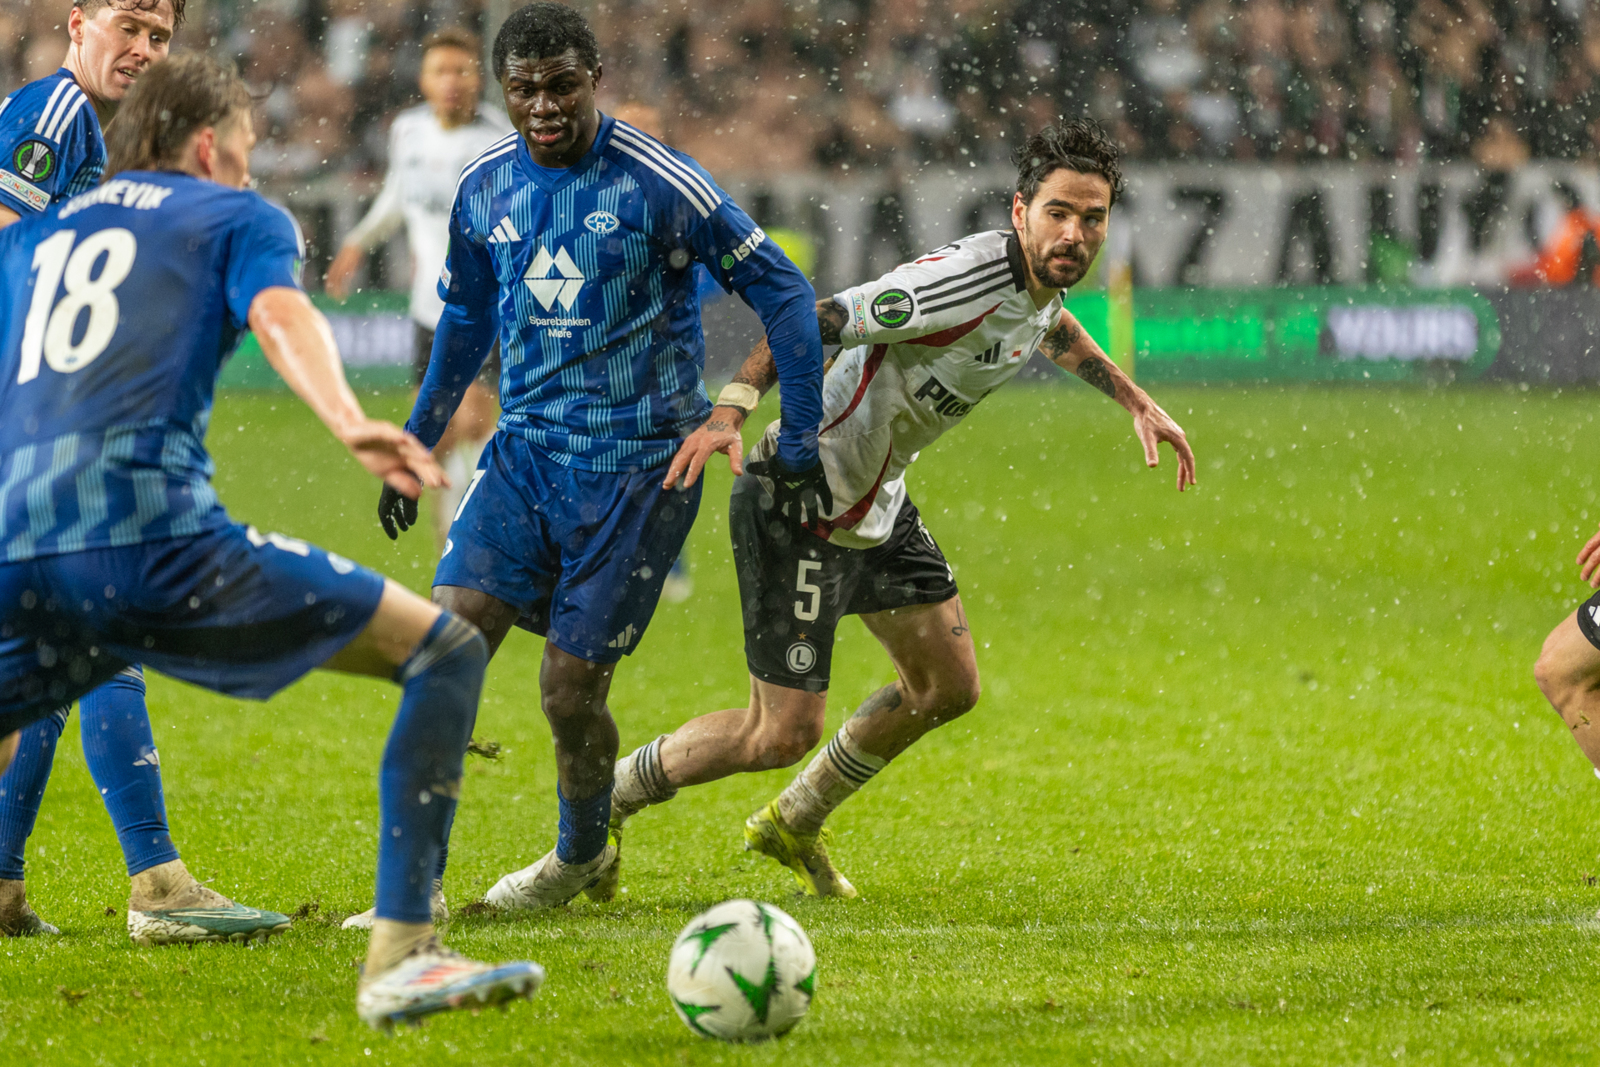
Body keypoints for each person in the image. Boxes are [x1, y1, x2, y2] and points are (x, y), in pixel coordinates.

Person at [0, 53, 542, 1028]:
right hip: (149, 540)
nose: (250, 167)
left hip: (13, 546)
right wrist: (348, 420)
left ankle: (88, 877)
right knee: (445, 650)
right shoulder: (236, 215)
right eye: (245, 148)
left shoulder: (33, 238)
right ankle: (404, 954)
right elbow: (282, 314)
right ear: (209, 144)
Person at [604, 119, 1199, 898]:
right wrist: (733, 407)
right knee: (777, 732)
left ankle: (793, 820)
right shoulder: (957, 281)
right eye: (1058, 212)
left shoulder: (1036, 284)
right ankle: (604, 799)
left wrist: (1132, 398)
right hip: (801, 497)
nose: (1075, 233)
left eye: (1092, 218)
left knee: (946, 686)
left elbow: (1047, 325)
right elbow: (811, 319)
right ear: (1020, 211)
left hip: (875, 503)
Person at [378, 2, 827, 909]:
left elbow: (784, 290)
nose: (542, 105)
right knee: (442, 646)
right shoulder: (485, 188)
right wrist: (416, 440)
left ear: (593, 81)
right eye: (524, 89)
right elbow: (464, 324)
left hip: (638, 472)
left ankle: (578, 856)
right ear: (504, 93)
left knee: (568, 692)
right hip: (523, 459)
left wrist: (797, 432)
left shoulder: (662, 182)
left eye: (561, 86)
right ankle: (409, 893)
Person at [0, 0, 287, 946]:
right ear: (75, 22)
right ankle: (157, 881)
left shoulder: (107, 136)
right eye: (128, 25)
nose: (144, 50)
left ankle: (3, 886)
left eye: (160, 38)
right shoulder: (51, 124)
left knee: (51, 646)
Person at [324, 28, 512, 543]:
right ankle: (450, 550)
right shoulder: (406, 131)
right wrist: (358, 242)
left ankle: (483, 539)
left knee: (476, 424)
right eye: (441, 71)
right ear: (424, 80)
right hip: (427, 310)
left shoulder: (499, 140)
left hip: (482, 309)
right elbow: (396, 197)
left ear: (479, 78)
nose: (452, 81)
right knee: (437, 437)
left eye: (462, 70)